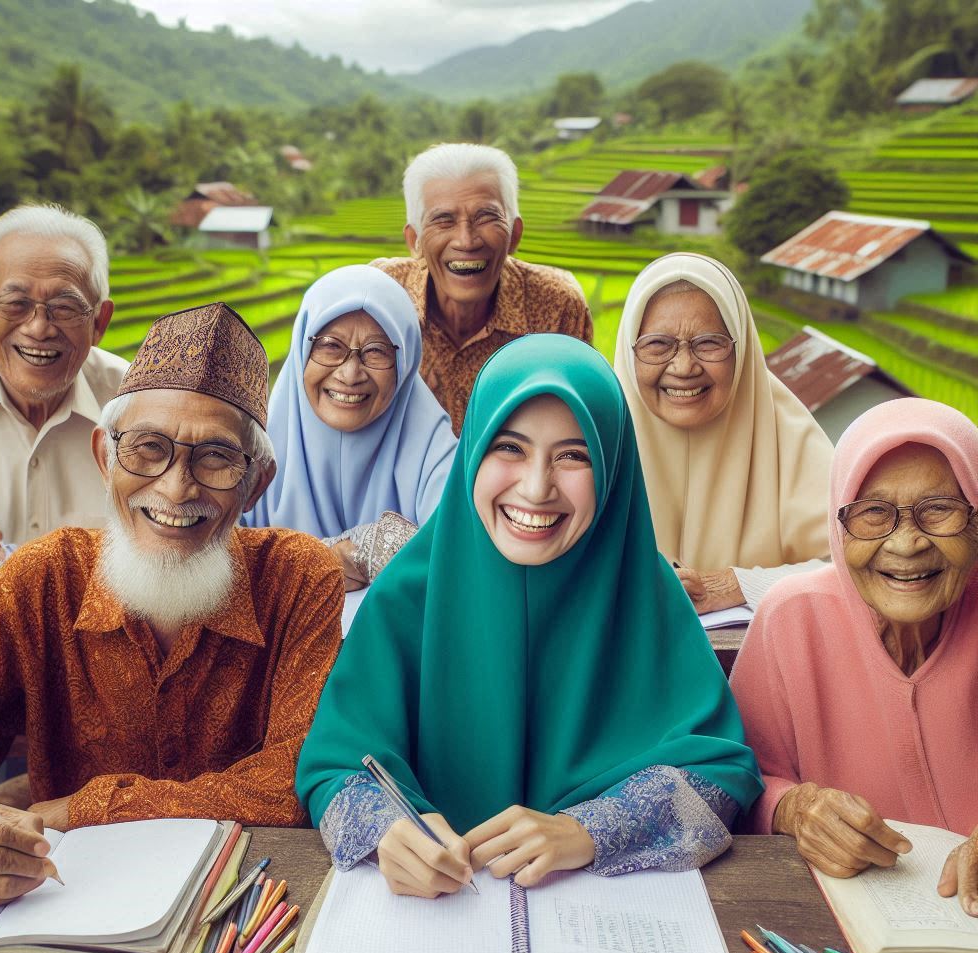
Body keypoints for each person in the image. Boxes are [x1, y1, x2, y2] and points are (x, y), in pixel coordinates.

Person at [297, 334, 762, 898]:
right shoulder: (410, 591)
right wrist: (386, 830)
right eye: (510, 448)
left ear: (614, 466)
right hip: (442, 920)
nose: (537, 487)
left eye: (574, 455)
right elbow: (336, 763)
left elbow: (720, 775)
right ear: (472, 451)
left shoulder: (645, 592)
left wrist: (589, 830)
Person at [0, 302, 343, 909]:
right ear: (105, 458)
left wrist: (82, 809)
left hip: (246, 903)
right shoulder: (42, 580)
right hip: (62, 909)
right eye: (147, 448)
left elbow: (298, 778)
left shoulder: (296, 577)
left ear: (257, 482)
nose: (176, 487)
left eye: (215, 456)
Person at [730, 398, 978, 915]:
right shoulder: (792, 618)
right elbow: (743, 778)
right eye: (873, 514)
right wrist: (796, 809)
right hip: (843, 933)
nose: (907, 543)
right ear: (838, 524)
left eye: (939, 509)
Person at [613, 252, 834, 614]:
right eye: (657, 344)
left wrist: (734, 584)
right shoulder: (594, 445)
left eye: (709, 343)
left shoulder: (790, 439)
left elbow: (855, 566)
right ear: (629, 351)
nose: (684, 367)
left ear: (740, 348)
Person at [249, 265, 457, 591]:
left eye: (376, 351)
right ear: (303, 348)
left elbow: (461, 548)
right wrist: (333, 557)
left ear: (405, 362)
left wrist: (366, 547)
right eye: (330, 346)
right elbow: (212, 555)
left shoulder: (436, 449)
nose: (349, 374)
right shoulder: (249, 449)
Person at [374, 143, 593, 434]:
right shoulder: (379, 297)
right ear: (414, 241)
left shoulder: (557, 305)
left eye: (486, 218)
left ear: (514, 235)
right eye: (443, 221)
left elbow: (578, 428)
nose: (466, 241)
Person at [0, 204, 125, 576]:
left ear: (99, 322)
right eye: (16, 304)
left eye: (65, 308)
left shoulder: (139, 409)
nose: (39, 328)